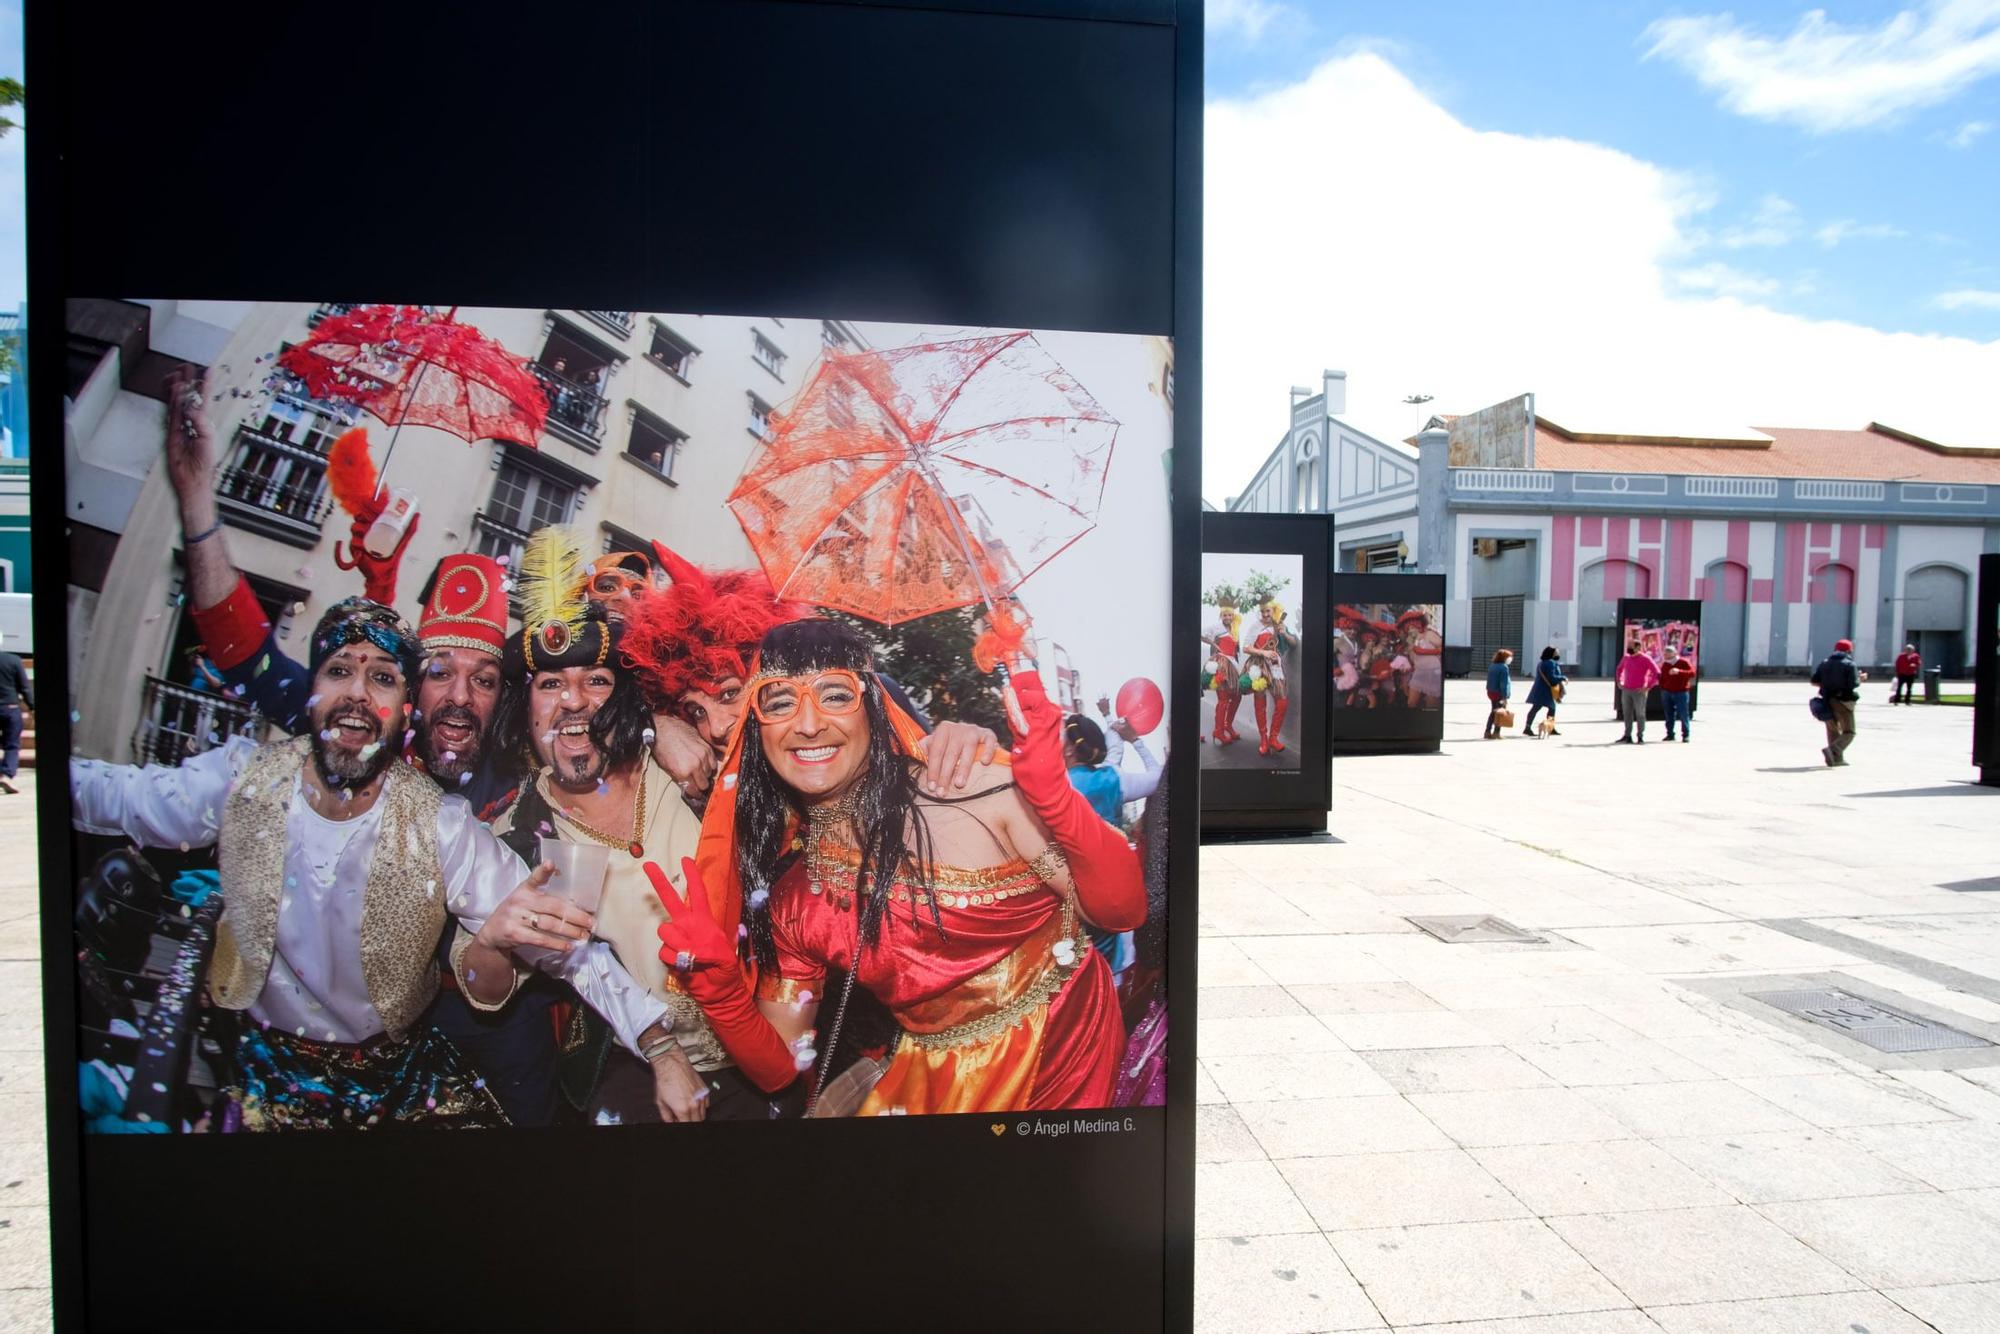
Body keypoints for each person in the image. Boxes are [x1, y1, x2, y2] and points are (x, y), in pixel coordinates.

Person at [68, 598, 669, 1130]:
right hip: (259, 1075)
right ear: (313, 691)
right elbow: (113, 795)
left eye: (381, 678)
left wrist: (657, 1042)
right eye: (338, 672)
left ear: (402, 707)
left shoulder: (443, 820)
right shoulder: (241, 779)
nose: (357, 692)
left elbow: (564, 944)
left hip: (402, 1080)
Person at [651, 619, 1147, 1115]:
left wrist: (1060, 802)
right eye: (780, 702)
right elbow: (781, 1068)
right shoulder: (795, 899)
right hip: (935, 1086)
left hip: (1065, 1052)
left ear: (874, 707)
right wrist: (721, 996)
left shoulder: (967, 785)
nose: (807, 724)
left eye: (836, 695)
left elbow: (1120, 913)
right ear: (758, 730)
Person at [478, 529, 745, 1122]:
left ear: (623, 695)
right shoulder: (511, 835)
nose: (573, 700)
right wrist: (492, 940)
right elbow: (487, 983)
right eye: (550, 684)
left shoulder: (691, 753)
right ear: (525, 708)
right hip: (633, 1066)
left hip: (767, 1040)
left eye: (595, 680)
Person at [615, 541, 999, 810]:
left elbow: (934, 765)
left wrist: (963, 743)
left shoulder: (871, 705)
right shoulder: (705, 787)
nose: (714, 728)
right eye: (694, 711)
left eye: (729, 694)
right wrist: (655, 725)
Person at [1246, 599, 1295, 755]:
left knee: (1282, 701)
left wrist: (1284, 633)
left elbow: (1293, 643)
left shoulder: (1279, 624)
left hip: (1275, 666)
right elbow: (1246, 647)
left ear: (1273, 610)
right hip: (1258, 666)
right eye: (1263, 612)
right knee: (1260, 703)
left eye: (1268, 611)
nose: (1266, 614)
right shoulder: (1255, 626)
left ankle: (1273, 737)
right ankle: (1263, 739)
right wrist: (1264, 652)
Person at [1812, 637, 1863, 766]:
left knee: (1833, 730)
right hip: (1843, 702)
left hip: (1826, 700)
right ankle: (1833, 750)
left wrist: (1827, 684)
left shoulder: (1825, 663)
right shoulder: (1850, 664)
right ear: (1849, 651)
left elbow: (1814, 681)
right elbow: (1853, 683)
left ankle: (1836, 759)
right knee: (1849, 731)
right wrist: (1861, 677)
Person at [0, 630, 29, 795]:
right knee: (12, 744)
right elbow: (24, 687)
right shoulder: (13, 660)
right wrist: (31, 707)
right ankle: (7, 775)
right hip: (10, 707)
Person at [1615, 640, 1660, 744]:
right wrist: (1619, 681)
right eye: (1628, 646)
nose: (1629, 648)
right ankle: (1627, 735)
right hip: (1626, 689)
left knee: (1640, 714)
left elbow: (1657, 672)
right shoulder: (1626, 657)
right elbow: (1619, 669)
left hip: (1639, 690)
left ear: (1638, 647)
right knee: (1627, 713)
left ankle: (1640, 736)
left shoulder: (1645, 659)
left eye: (1631, 646)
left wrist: (1648, 686)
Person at [1522, 645, 1565, 738]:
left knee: (1536, 708)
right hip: (1546, 690)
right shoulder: (1551, 663)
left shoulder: (1541, 663)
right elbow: (1552, 677)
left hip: (1539, 689)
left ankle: (1528, 727)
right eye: (1556, 651)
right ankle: (1549, 728)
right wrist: (1563, 678)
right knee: (1551, 708)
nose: (1558, 652)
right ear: (1552, 653)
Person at [1404, 610, 1444, 710]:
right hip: (1419, 673)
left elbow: (1442, 648)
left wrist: (1426, 651)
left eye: (1412, 627)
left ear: (1418, 626)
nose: (1410, 631)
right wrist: (1410, 648)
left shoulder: (1429, 634)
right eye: (1408, 628)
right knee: (1411, 703)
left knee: (1431, 704)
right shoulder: (1412, 643)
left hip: (1432, 672)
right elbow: (1414, 661)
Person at [1658, 645, 1695, 742]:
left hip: (1681, 692)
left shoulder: (1683, 662)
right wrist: (1663, 688)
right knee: (1669, 714)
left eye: (1668, 652)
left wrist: (1679, 671)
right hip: (1667, 692)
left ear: (1674, 653)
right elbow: (1662, 677)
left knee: (1683, 713)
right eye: (1665, 652)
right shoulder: (1665, 664)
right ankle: (1670, 734)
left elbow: (1692, 673)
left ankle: (1685, 735)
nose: (1665, 654)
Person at [1483, 648, 1513, 739]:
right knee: (1500, 713)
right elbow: (1503, 683)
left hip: (1491, 692)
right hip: (1499, 693)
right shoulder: (1503, 667)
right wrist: (1504, 697)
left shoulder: (1493, 665)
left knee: (1494, 711)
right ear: (1504, 658)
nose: (1510, 658)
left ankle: (1487, 731)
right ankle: (1496, 732)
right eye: (1509, 657)